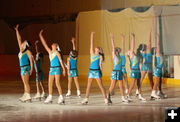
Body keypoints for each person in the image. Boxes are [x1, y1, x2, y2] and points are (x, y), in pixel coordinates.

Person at [81, 32, 110, 105]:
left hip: (97, 72)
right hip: (91, 71)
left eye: (98, 48)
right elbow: (91, 44)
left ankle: (105, 99)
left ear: (99, 50)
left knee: (101, 86)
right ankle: (86, 99)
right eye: (96, 47)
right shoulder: (92, 53)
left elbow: (100, 64)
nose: (96, 47)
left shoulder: (100, 56)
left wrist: (101, 71)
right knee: (88, 85)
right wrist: (92, 36)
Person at [39, 29, 66, 104]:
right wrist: (41, 36)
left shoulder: (57, 53)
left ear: (56, 47)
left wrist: (64, 70)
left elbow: (61, 61)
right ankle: (50, 97)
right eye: (52, 44)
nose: (53, 44)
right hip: (51, 69)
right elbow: (44, 44)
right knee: (49, 83)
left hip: (57, 69)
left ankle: (61, 97)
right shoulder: (50, 52)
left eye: (54, 44)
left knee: (57, 83)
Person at [108, 33, 128, 103]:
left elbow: (122, 49)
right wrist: (112, 39)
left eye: (117, 51)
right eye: (116, 50)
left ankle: (123, 97)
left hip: (119, 72)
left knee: (121, 86)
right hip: (115, 72)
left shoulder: (120, 56)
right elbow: (113, 47)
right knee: (112, 86)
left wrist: (123, 39)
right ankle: (108, 97)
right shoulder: (114, 56)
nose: (117, 51)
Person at [15, 24, 33, 102]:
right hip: (22, 68)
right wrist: (17, 31)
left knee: (26, 82)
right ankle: (25, 94)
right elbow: (19, 39)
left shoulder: (28, 51)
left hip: (26, 67)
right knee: (24, 83)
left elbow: (31, 61)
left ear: (26, 45)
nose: (22, 42)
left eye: (24, 42)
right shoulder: (21, 50)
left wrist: (31, 69)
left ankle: (28, 95)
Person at [126, 33, 146, 102]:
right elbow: (133, 46)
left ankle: (140, 95)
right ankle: (128, 95)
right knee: (132, 83)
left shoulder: (138, 56)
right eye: (129, 51)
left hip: (138, 71)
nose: (130, 50)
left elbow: (140, 64)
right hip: (134, 71)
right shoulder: (132, 56)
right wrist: (133, 38)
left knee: (139, 84)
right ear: (129, 53)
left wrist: (141, 70)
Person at [136, 30, 154, 96]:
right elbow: (140, 61)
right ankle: (138, 90)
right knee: (141, 79)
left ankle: (153, 91)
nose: (147, 45)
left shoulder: (148, 51)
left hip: (149, 66)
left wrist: (149, 33)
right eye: (145, 46)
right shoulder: (143, 53)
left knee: (151, 80)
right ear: (144, 48)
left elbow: (149, 42)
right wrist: (150, 33)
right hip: (146, 66)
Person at [151, 33, 167, 99]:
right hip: (157, 69)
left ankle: (158, 92)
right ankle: (153, 93)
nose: (157, 48)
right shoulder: (157, 53)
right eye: (155, 48)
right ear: (155, 51)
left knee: (159, 81)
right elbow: (158, 44)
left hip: (159, 69)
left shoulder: (159, 53)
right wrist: (158, 37)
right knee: (157, 81)